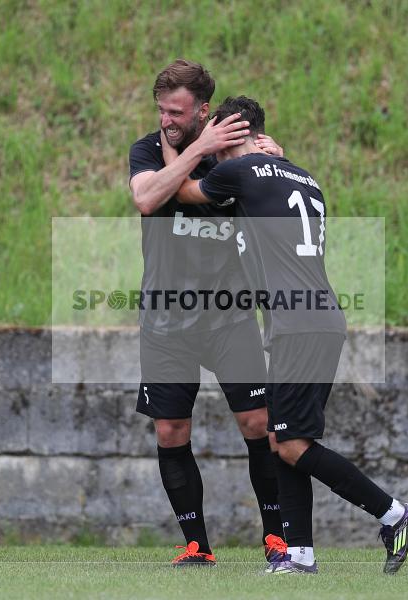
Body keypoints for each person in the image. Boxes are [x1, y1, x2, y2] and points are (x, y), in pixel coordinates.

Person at [165, 95, 408, 575]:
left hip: (299, 324)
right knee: (286, 435)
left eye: (216, 137)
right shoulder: (304, 176)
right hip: (316, 319)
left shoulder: (238, 172)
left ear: (233, 135)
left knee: (290, 444)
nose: (210, 147)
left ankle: (393, 513)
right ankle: (299, 553)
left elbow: (180, 190)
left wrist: (189, 147)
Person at [128, 60, 287, 567]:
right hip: (165, 321)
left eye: (176, 111)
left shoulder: (233, 148)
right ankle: (197, 546)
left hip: (228, 316)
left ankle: (275, 539)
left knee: (259, 423)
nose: (166, 120)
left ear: (202, 109)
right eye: (161, 110)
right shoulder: (148, 150)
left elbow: (273, 183)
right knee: (171, 431)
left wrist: (274, 158)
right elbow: (147, 199)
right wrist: (194, 150)